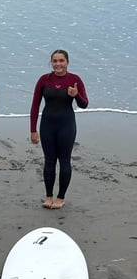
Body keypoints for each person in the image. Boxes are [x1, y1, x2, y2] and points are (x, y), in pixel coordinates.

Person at [30, 49, 89, 209]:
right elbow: (35, 105)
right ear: (51, 63)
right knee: (49, 161)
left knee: (64, 161)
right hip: (47, 125)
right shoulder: (44, 80)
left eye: (61, 60)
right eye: (55, 61)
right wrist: (33, 130)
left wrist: (75, 94)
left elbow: (84, 104)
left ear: (67, 62)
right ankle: (48, 196)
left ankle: (61, 197)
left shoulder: (74, 79)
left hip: (66, 126)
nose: (58, 64)